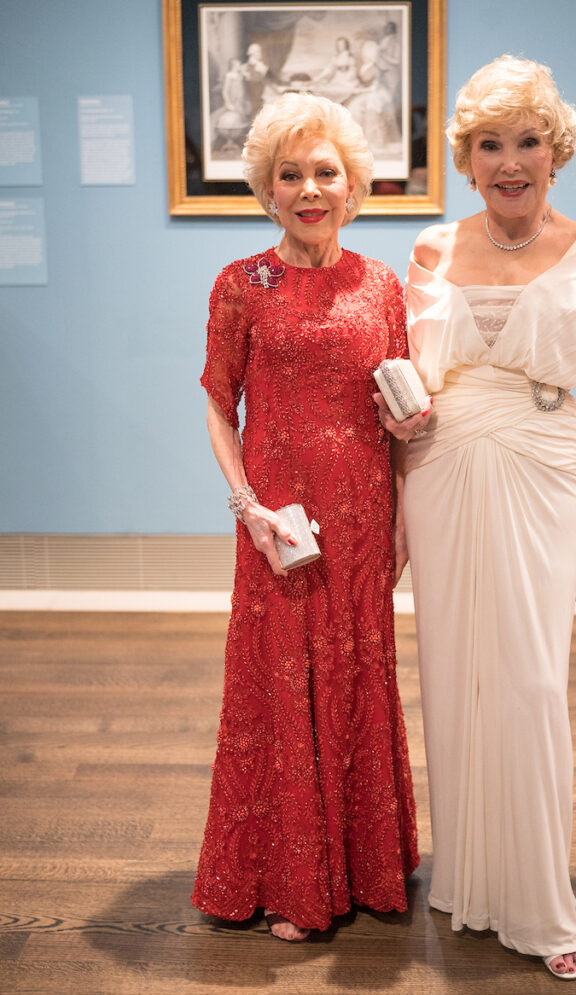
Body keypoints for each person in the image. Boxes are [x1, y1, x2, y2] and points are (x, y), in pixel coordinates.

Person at [378, 56, 576, 979]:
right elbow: (406, 386)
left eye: (527, 141)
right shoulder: (430, 250)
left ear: (556, 152)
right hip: (440, 467)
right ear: (468, 158)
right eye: (490, 144)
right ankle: (472, 881)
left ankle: (540, 903)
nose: (509, 160)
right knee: (453, 675)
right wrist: (398, 471)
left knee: (528, 681)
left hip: (544, 464)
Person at [191, 92, 423, 943]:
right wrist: (247, 506)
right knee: (280, 677)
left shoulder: (382, 285)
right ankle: (290, 878)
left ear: (354, 186)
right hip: (278, 519)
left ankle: (365, 863)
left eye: (326, 172)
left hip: (363, 512)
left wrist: (402, 512)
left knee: (360, 670)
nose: (310, 189)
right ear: (267, 190)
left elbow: (397, 407)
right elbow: (221, 407)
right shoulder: (239, 285)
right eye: (290, 175)